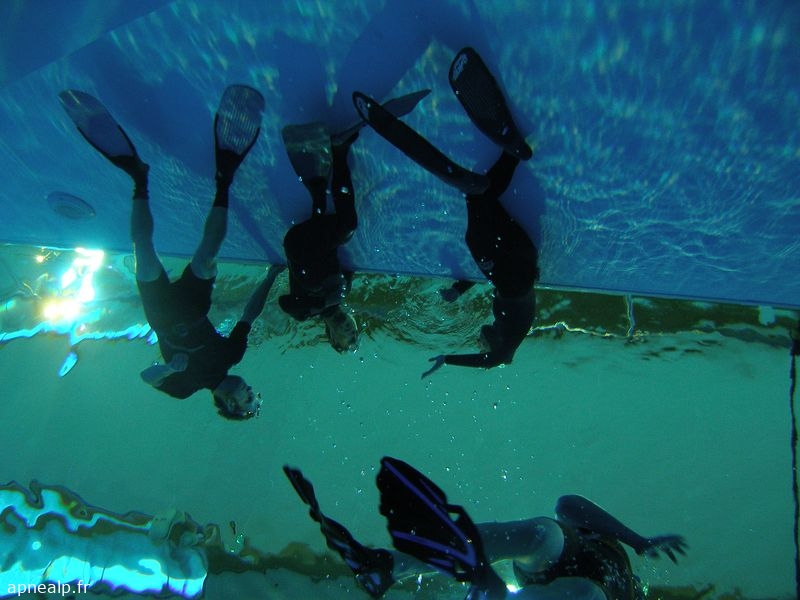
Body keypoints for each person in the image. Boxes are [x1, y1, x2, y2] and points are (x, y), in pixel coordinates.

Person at [59, 85, 283, 420]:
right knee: (209, 252)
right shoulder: (232, 355)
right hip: (194, 304)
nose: (250, 390)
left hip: (161, 311)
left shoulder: (184, 388)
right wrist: (272, 276)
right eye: (253, 395)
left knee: (142, 246)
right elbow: (249, 314)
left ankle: (139, 178)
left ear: (230, 404)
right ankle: (224, 182)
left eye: (247, 398)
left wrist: (168, 369)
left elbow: (146, 377)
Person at [353, 47, 539, 377]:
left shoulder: (507, 328)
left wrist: (460, 289)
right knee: (477, 231)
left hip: (516, 266)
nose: (479, 344)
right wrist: (447, 360)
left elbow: (492, 302)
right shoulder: (507, 347)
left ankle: (512, 156)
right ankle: (480, 186)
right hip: (513, 273)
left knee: (486, 204)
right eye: (482, 346)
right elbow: (492, 361)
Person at [284, 457, 687, 600]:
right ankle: (389, 565)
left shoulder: (618, 585)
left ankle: (400, 567)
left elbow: (570, 507)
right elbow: (570, 504)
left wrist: (636, 542)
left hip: (575, 584)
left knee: (578, 586)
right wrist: (636, 541)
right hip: (562, 558)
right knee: (546, 534)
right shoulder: (617, 557)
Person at [277, 124, 361, 353]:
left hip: (297, 243)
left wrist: (323, 302)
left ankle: (338, 153)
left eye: (347, 338)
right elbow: (342, 265)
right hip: (318, 239)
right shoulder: (344, 291)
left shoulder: (305, 313)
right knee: (341, 233)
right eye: (355, 333)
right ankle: (319, 190)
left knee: (347, 227)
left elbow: (285, 303)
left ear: (331, 336)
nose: (350, 331)